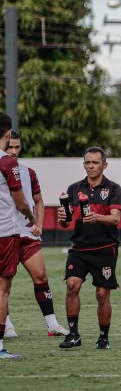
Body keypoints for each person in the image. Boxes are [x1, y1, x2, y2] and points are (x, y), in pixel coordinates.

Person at [2, 131, 69, 338]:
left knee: (41, 277)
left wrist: (38, 223)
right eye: (10, 146)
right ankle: (7, 325)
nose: (13, 151)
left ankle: (52, 324)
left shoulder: (28, 172)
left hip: (26, 234)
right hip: (5, 233)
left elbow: (39, 200)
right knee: (4, 283)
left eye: (17, 147)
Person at [55, 147, 121, 351]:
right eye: (88, 162)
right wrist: (62, 218)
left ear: (105, 164)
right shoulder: (75, 188)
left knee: (102, 294)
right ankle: (73, 335)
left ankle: (103, 338)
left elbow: (115, 219)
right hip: (79, 248)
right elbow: (66, 223)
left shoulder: (113, 188)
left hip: (105, 248)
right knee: (72, 286)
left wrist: (98, 217)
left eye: (95, 162)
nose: (91, 166)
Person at [0, 114, 36, 359]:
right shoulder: (7, 163)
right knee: (2, 289)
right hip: (4, 232)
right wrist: (31, 218)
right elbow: (21, 201)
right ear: (7, 134)